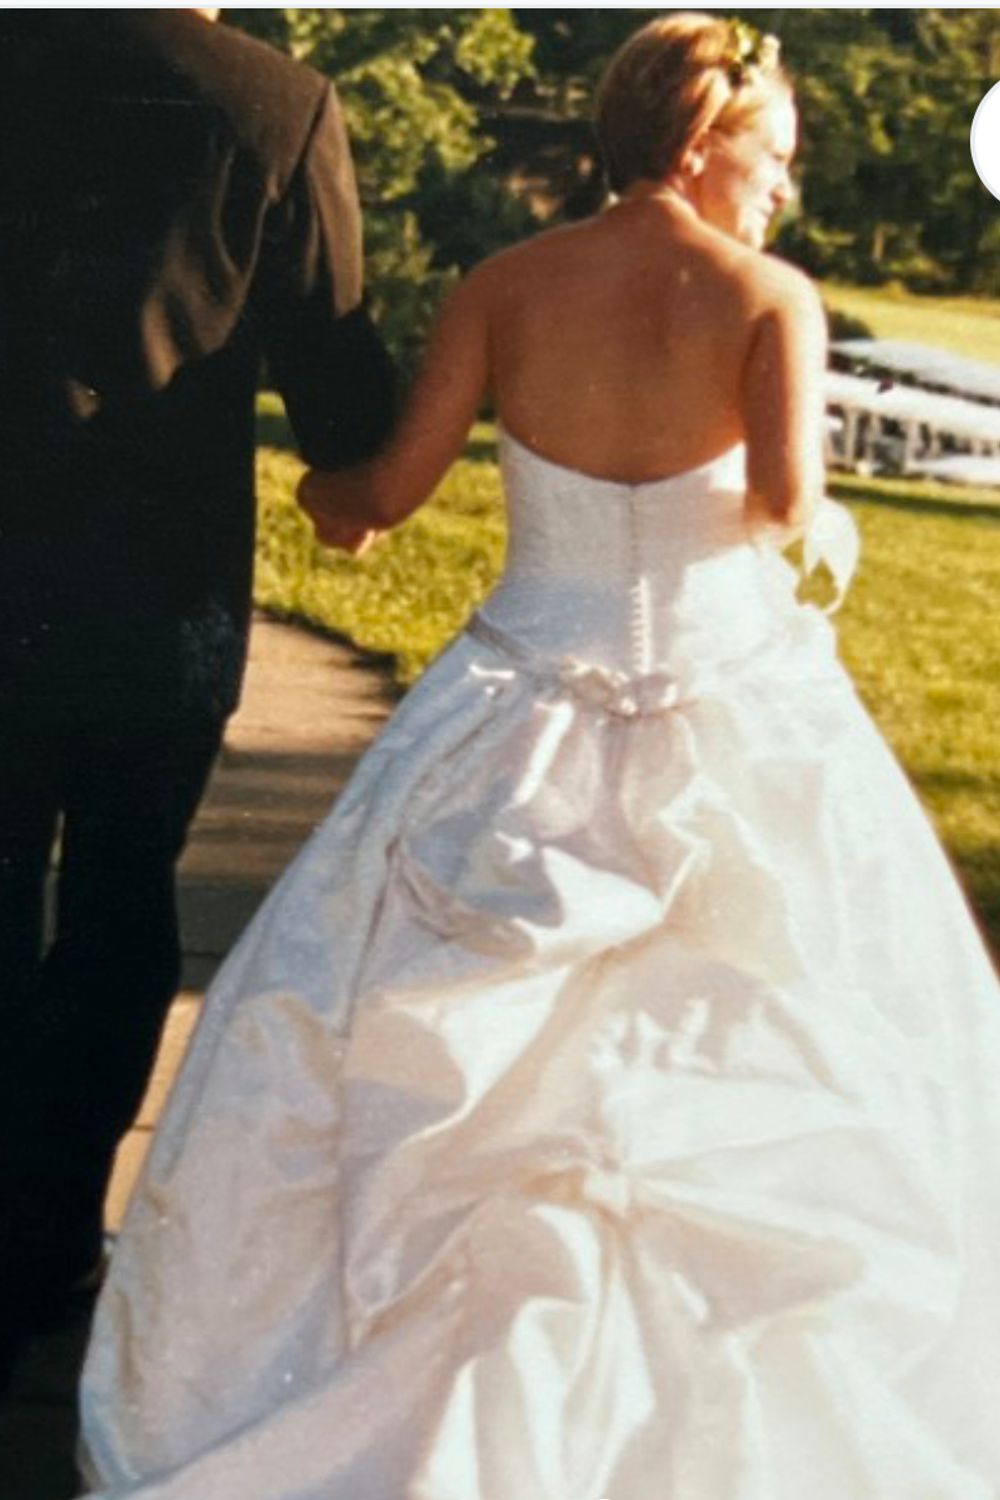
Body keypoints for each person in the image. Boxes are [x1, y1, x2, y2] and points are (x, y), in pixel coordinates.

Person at [80, 14, 1000, 1497]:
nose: (784, 192)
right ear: (700, 144)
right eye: (772, 158)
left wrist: (326, 500)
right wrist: (804, 521)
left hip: (519, 704)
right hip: (723, 695)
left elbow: (386, 487)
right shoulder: (769, 299)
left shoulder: (506, 286)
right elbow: (781, 506)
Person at [0, 10, 395, 1361]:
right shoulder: (277, 109)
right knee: (120, 901)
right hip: (155, 582)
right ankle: (52, 1238)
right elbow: (340, 389)